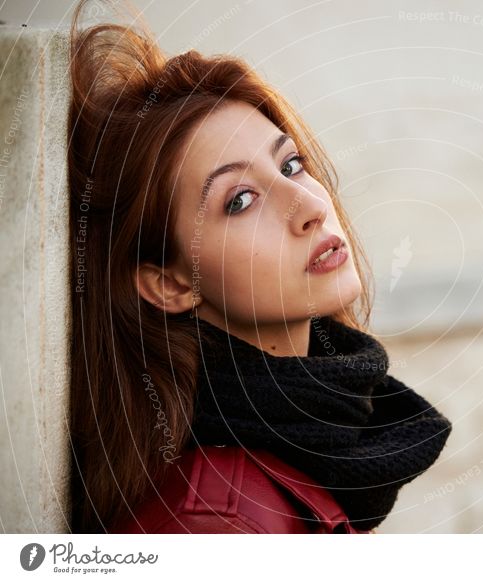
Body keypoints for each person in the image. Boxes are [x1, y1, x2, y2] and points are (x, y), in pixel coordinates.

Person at [67, 0, 452, 534]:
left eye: (290, 164)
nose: (310, 206)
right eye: (240, 200)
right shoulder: (211, 524)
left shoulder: (324, 440)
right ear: (171, 283)